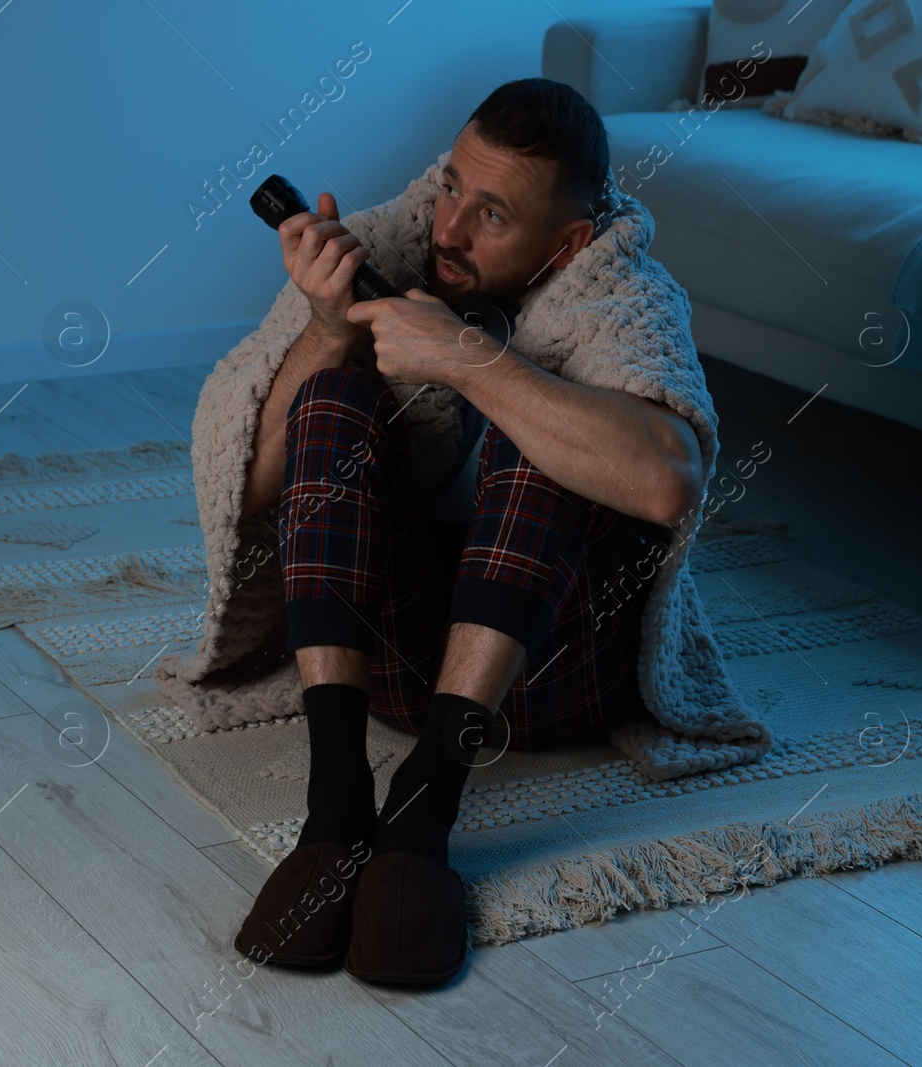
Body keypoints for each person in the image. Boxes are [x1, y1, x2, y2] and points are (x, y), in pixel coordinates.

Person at [232, 78, 706, 986]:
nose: (449, 229)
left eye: (492, 213)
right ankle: (334, 808)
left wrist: (470, 359)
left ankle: (423, 815)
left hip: (550, 680)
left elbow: (668, 479)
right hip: (395, 664)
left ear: (568, 242)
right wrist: (328, 331)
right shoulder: (405, 243)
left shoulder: (630, 298)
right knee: (328, 396)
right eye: (452, 186)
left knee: (554, 436)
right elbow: (246, 486)